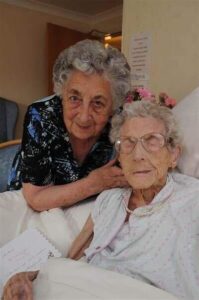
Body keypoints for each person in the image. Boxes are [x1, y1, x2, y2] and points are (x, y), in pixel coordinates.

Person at [5, 100, 199, 300]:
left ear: (174, 155)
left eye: (152, 140)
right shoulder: (109, 200)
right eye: (128, 143)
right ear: (120, 157)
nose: (138, 155)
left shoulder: (192, 200)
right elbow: (74, 260)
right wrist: (29, 276)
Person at [8, 39, 131, 212]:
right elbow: (36, 198)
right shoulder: (41, 115)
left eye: (98, 103)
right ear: (61, 93)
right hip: (21, 184)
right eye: (74, 98)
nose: (84, 116)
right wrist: (93, 184)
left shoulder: (120, 122)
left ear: (113, 106)